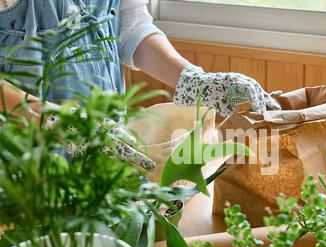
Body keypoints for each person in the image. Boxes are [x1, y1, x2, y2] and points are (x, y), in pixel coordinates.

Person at [0, 0, 280, 170]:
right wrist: (59, 122)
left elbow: (129, 24)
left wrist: (192, 80)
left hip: (106, 144)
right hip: (22, 172)